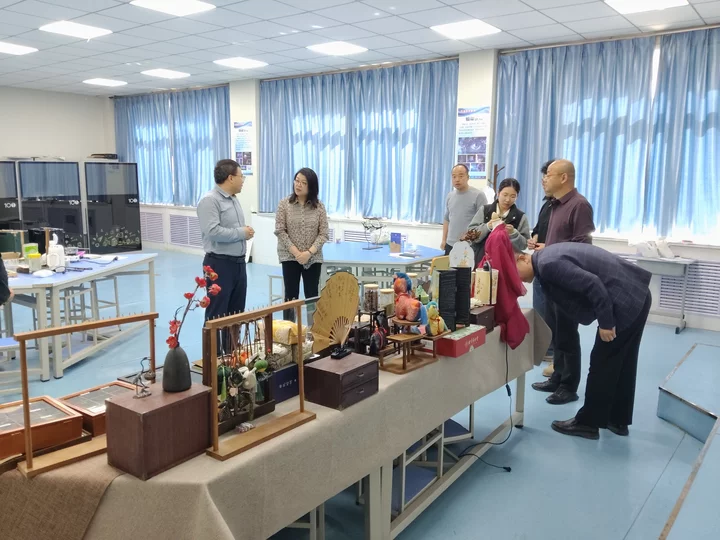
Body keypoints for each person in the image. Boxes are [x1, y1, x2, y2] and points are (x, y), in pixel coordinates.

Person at [516, 243, 652, 439]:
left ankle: (588, 423)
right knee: (623, 362)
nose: (518, 280)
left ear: (523, 258)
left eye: (515, 274)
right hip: (636, 293)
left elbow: (592, 284)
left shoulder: (547, 264)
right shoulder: (546, 259)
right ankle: (617, 420)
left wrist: (606, 323)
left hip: (625, 298)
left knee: (602, 362)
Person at [531, 159, 595, 405]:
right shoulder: (555, 205)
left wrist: (551, 250)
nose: (544, 179)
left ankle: (569, 386)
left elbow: (583, 247)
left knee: (568, 335)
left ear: (564, 177)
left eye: (548, 174)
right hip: (552, 280)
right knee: (556, 332)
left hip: (568, 282)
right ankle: (557, 376)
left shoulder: (579, 205)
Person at [197, 159, 254, 352]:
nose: (243, 180)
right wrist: (241, 233)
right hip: (219, 265)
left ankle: (231, 356)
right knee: (216, 314)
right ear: (230, 178)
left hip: (238, 264)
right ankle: (213, 360)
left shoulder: (233, 199)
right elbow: (212, 231)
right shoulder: (209, 200)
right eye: (241, 176)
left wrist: (243, 232)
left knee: (236, 313)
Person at [275, 168, 329, 322]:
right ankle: (289, 329)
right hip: (289, 256)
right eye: (297, 181)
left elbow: (324, 234)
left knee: (312, 295)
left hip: (313, 257)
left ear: (311, 186)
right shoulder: (284, 204)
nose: (298, 185)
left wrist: (308, 253)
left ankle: (313, 329)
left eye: (303, 183)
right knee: (290, 296)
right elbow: (280, 231)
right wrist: (297, 253)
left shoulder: (319, 207)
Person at [528, 160, 556, 376]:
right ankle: (544, 347)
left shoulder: (571, 206)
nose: (543, 181)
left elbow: (575, 242)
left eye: (548, 176)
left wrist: (549, 246)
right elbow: (538, 229)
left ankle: (553, 351)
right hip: (541, 263)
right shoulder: (547, 205)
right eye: (543, 176)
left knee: (554, 310)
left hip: (556, 266)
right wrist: (534, 239)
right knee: (539, 308)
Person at [463, 178, 531, 267]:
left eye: (512, 196)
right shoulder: (485, 210)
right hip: (481, 261)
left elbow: (524, 245)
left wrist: (513, 233)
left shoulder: (520, 217)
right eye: (505, 195)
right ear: (498, 193)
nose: (507, 199)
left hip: (507, 264)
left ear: (516, 197)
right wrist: (487, 226)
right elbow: (470, 234)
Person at [441, 164, 487, 256]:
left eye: (461, 176)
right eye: (454, 176)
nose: (457, 179)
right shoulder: (450, 196)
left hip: (470, 245)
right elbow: (447, 219)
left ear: (468, 177)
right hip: (450, 245)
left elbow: (484, 221)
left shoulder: (478, 195)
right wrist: (443, 240)